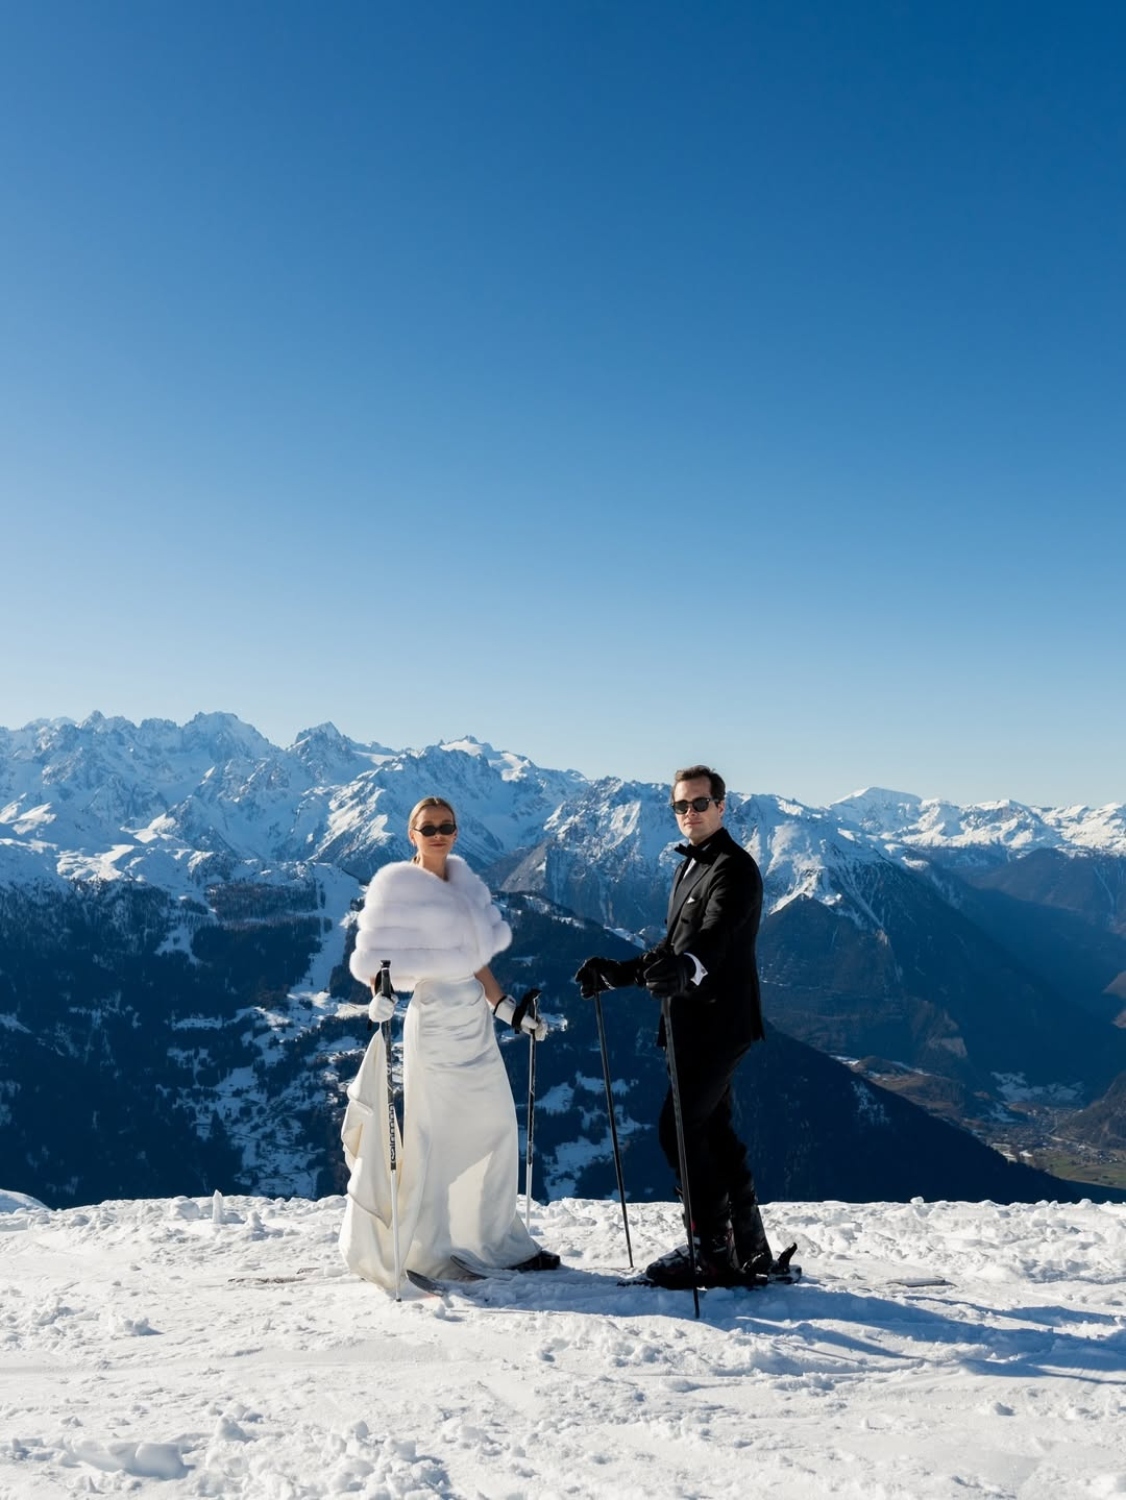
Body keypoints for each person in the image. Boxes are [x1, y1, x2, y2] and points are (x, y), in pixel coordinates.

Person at [339, 795, 558, 1290]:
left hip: (473, 1023)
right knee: (433, 1139)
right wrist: (380, 997)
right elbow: (378, 962)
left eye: (446, 826)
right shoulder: (395, 888)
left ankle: (498, 1241)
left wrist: (505, 1009)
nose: (438, 834)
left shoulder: (462, 883)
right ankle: (431, 1247)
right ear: (411, 834)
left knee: (498, 1127)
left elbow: (475, 959)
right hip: (433, 1020)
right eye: (428, 827)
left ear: (457, 832)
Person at [575, 765, 777, 1289]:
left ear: (722, 806)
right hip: (690, 1020)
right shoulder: (691, 867)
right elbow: (676, 945)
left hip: (717, 1022)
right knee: (712, 1129)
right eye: (680, 807)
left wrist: (687, 970)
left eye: (699, 804)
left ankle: (710, 1250)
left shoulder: (734, 869)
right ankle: (749, 1246)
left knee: (680, 1129)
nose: (690, 814)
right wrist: (618, 973)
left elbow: (715, 938)